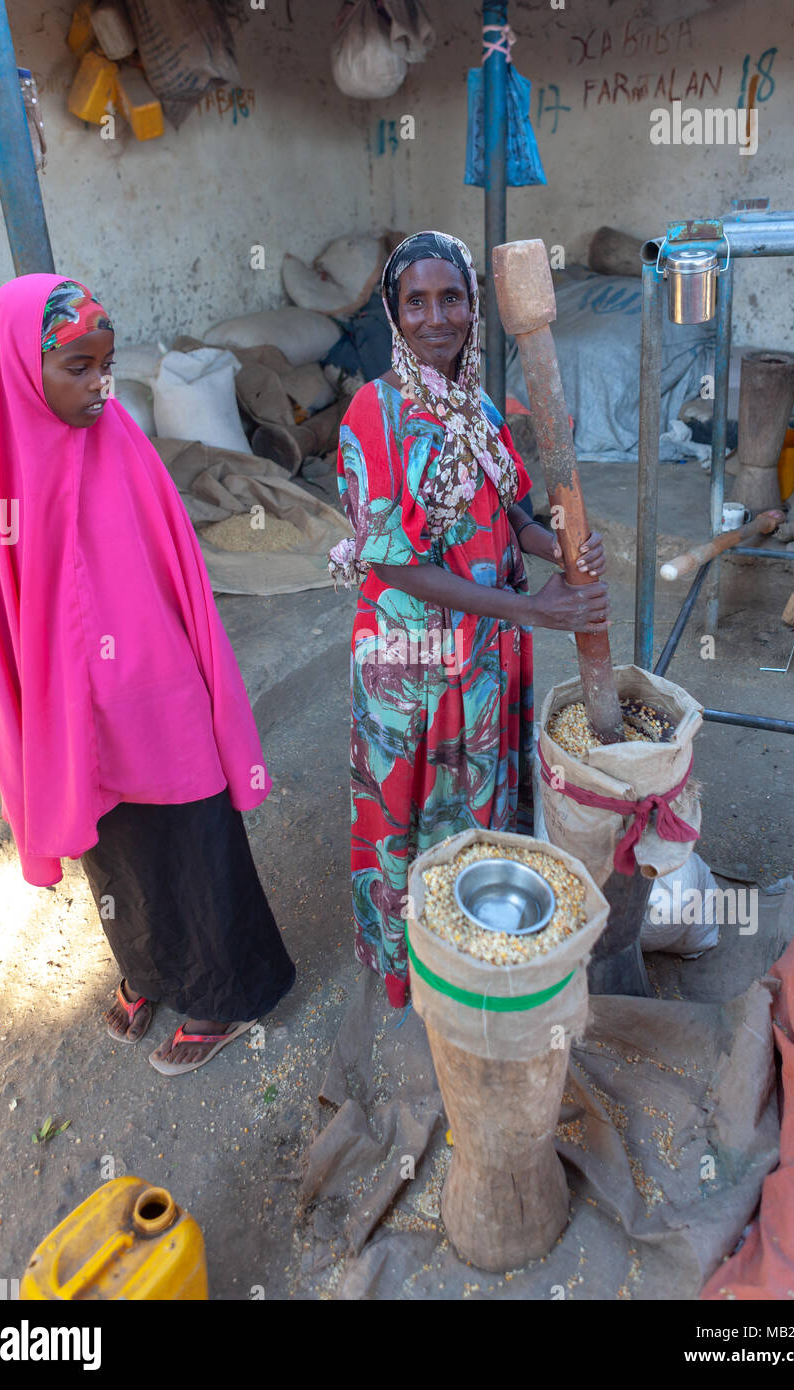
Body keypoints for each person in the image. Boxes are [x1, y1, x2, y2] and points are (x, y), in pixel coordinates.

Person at [0, 275, 294, 1074]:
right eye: (78, 366)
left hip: (154, 691)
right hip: (70, 703)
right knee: (111, 845)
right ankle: (148, 968)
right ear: (18, 369)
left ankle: (226, 992)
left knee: (191, 834)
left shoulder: (122, 445)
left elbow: (174, 571)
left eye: (105, 364)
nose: (101, 384)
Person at [330, 231, 609, 1007]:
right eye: (414, 301)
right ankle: (409, 969)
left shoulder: (480, 404)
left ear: (472, 306)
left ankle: (468, 954)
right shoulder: (373, 414)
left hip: (482, 652)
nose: (434, 317)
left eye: (449, 297)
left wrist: (560, 548)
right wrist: (534, 609)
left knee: (472, 807)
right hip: (411, 664)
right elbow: (392, 564)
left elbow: (510, 510)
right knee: (409, 814)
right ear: (392, 311)